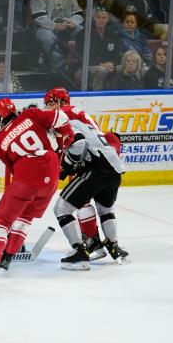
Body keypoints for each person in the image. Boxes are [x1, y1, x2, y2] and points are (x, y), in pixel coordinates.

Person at [0, 98, 74, 282]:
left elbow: (14, 170)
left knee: (2, 221)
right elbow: (61, 116)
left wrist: (13, 195)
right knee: (25, 218)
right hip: (51, 176)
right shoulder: (31, 114)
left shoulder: (0, 142)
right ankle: (8, 258)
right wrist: (66, 136)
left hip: (26, 177)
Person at [44, 86, 123, 261]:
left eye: (50, 104)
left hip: (94, 166)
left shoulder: (63, 115)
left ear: (60, 102)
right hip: (113, 167)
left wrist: (65, 166)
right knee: (104, 208)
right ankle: (112, 245)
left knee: (62, 208)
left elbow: (78, 143)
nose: (48, 109)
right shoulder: (79, 113)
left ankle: (80, 250)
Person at [30, 0, 84, 73]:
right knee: (48, 37)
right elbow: (38, 17)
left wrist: (73, 22)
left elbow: (79, 13)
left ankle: (80, 62)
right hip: (45, 28)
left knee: (81, 31)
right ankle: (61, 64)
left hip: (67, 26)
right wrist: (55, 25)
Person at [79, 7, 122, 90]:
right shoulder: (85, 33)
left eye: (103, 18)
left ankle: (115, 96)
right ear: (94, 18)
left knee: (121, 68)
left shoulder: (113, 35)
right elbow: (80, 55)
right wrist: (101, 64)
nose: (101, 20)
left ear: (108, 19)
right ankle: (96, 96)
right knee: (102, 70)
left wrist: (113, 63)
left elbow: (117, 54)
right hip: (85, 67)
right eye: (98, 17)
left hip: (108, 66)